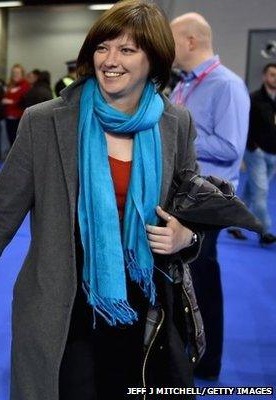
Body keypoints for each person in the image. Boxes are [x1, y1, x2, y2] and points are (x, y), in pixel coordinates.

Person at [0, 1, 202, 398]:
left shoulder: (176, 123)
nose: (110, 60)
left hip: (144, 304)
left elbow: (191, 207)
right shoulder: (46, 121)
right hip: (63, 305)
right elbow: (0, 218)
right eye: (103, 47)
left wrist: (186, 235)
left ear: (154, 60)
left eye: (127, 50)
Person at [170, 12, 250, 381]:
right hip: (183, 198)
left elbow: (232, 147)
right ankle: (184, 350)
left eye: (172, 41)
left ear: (190, 41)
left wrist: (181, 133)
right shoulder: (184, 84)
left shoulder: (226, 85)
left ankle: (207, 361)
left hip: (208, 200)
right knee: (182, 280)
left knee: (202, 281)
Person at [238, 63, 276, 245]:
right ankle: (265, 231)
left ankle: (233, 224)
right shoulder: (253, 99)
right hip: (256, 153)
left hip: (273, 154)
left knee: (251, 191)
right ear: (264, 77)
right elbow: (244, 125)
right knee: (261, 193)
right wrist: (254, 147)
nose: (274, 78)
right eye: (272, 74)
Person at [2, 63, 30, 146]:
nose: (15, 75)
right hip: (8, 117)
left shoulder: (25, 85)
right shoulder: (10, 85)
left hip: (19, 118)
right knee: (11, 141)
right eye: (13, 73)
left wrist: (10, 102)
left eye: (17, 73)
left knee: (18, 143)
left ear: (22, 74)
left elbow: (23, 100)